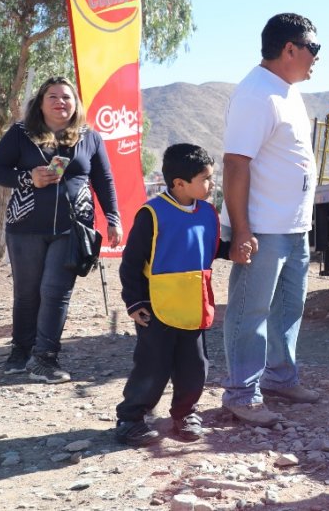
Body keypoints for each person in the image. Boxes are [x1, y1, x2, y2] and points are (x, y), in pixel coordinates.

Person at [220, 13, 322, 426]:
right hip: (262, 227)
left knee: (287, 309)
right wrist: (242, 230)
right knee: (250, 310)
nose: (317, 59)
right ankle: (242, 393)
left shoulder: (286, 92)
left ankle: (280, 377)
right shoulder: (257, 94)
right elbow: (235, 163)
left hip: (294, 226)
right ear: (290, 49)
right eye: (314, 50)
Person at [0, 76, 122, 383]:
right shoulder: (21, 134)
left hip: (73, 229)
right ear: (41, 102)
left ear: (76, 104)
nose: (61, 102)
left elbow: (104, 180)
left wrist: (113, 217)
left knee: (56, 292)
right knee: (27, 294)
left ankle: (45, 359)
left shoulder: (89, 137)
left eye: (67, 97)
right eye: (54, 97)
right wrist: (27, 177)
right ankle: (21, 351)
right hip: (25, 227)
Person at [114, 144, 223, 446]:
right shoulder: (152, 213)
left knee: (195, 365)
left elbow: (210, 247)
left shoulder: (207, 213)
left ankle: (185, 413)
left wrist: (235, 250)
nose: (211, 184)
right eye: (205, 179)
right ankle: (131, 418)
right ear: (179, 183)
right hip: (155, 307)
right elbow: (132, 262)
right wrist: (134, 302)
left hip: (193, 306)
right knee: (153, 365)